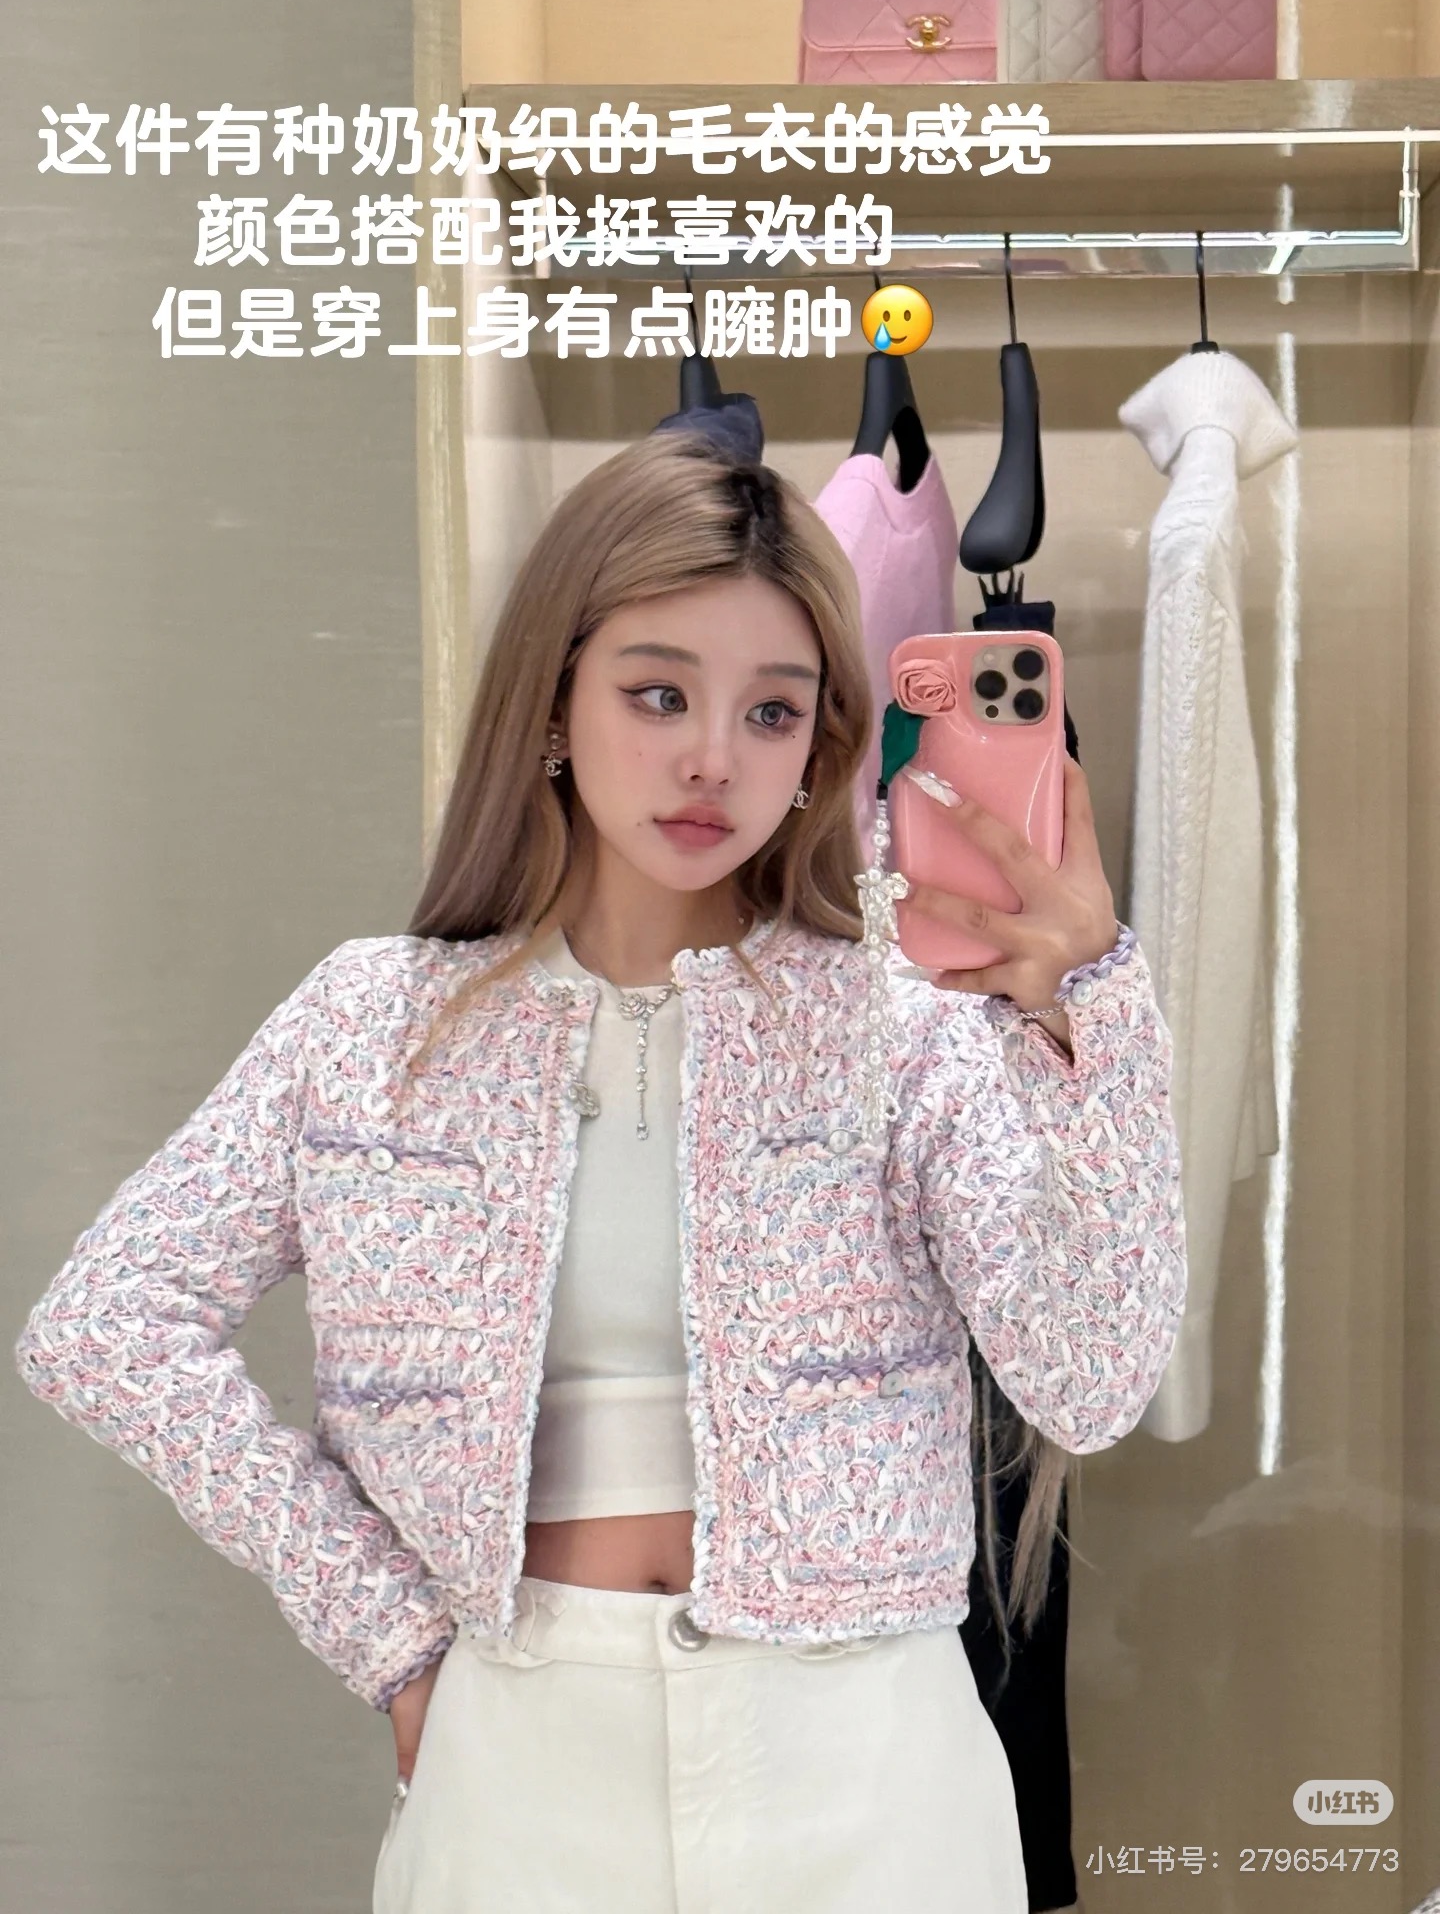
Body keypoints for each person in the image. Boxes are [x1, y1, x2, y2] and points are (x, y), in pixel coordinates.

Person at [14, 431, 1187, 1913]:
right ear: (555, 700)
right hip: (521, 1762)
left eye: (774, 712)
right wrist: (384, 1632)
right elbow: (105, 1326)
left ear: (821, 750)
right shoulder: (373, 1024)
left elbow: (1091, 1381)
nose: (714, 758)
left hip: (867, 1758)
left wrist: (1087, 1012)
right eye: (658, 693)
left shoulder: (903, 1028)